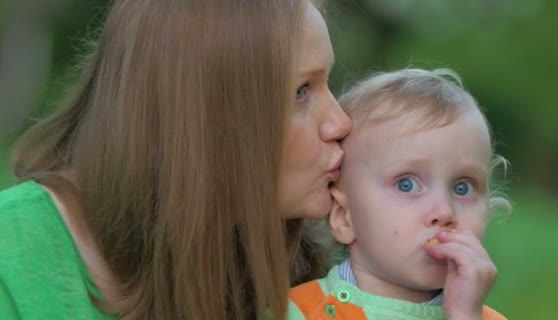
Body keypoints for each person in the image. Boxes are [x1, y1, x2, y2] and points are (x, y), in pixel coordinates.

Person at [0, 0, 351, 319]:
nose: (340, 122)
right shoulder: (11, 261)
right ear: (205, 117)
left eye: (327, 83)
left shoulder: (314, 276)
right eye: (301, 92)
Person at [287, 68, 511, 320]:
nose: (444, 212)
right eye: (407, 184)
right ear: (344, 217)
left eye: (463, 187)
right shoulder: (299, 312)